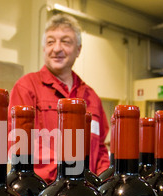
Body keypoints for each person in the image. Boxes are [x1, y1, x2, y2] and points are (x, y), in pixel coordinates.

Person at [8, 13, 110, 184]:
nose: (56, 48)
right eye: (50, 42)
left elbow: (99, 149)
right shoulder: (26, 87)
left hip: (87, 193)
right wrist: (64, 173)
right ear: (43, 49)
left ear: (78, 49)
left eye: (65, 41)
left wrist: (104, 182)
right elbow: (16, 143)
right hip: (43, 193)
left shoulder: (91, 97)